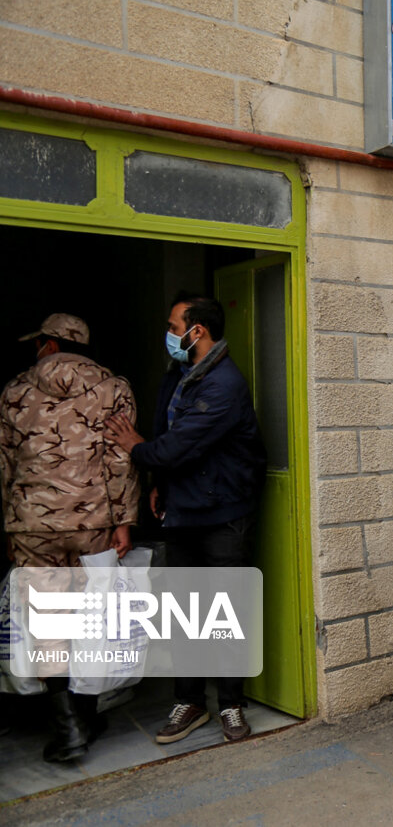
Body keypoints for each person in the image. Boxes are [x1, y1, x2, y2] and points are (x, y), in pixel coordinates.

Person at [105, 295, 265, 745]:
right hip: (183, 509)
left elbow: (173, 446)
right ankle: (190, 702)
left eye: (175, 325)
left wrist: (138, 448)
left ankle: (231, 706)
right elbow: (170, 435)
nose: (170, 332)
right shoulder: (180, 375)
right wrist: (160, 482)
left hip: (223, 514)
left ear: (198, 331)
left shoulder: (223, 385)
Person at [0, 313, 138, 762]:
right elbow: (121, 460)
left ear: (50, 343)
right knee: (91, 622)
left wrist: (10, 523)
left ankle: (69, 731)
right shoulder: (114, 387)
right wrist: (125, 520)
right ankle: (88, 714)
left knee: (49, 625)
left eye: (39, 341)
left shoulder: (14, 391)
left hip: (33, 526)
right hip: (93, 523)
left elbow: (4, 466)